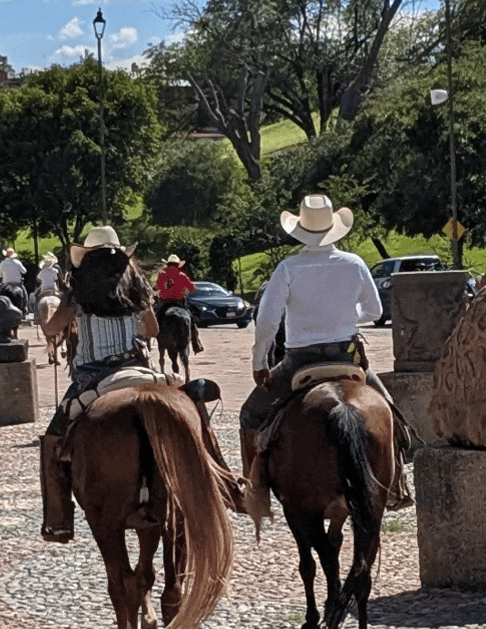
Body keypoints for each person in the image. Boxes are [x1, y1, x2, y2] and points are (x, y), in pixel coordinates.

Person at [239, 194, 411, 509]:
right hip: (348, 356)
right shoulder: (354, 263)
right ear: (333, 228)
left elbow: (267, 322)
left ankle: (256, 491)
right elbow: (374, 311)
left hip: (299, 360)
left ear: (300, 230)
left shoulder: (288, 268)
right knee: (391, 412)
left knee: (250, 413)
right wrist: (346, 316)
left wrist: (259, 361)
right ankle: (397, 484)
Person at [37, 225, 160, 543]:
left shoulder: (78, 292)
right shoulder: (136, 287)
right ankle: (225, 484)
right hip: (136, 367)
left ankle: (58, 520)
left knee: (53, 442)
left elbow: (52, 330)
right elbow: (152, 330)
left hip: (93, 375)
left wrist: (48, 317)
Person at [153, 254, 205, 354]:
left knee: (155, 317)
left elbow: (157, 287)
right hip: (179, 303)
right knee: (191, 321)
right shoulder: (182, 275)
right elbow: (192, 288)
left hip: (164, 302)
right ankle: (196, 344)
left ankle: (152, 337)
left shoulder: (162, 274)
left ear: (168, 264)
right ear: (177, 265)